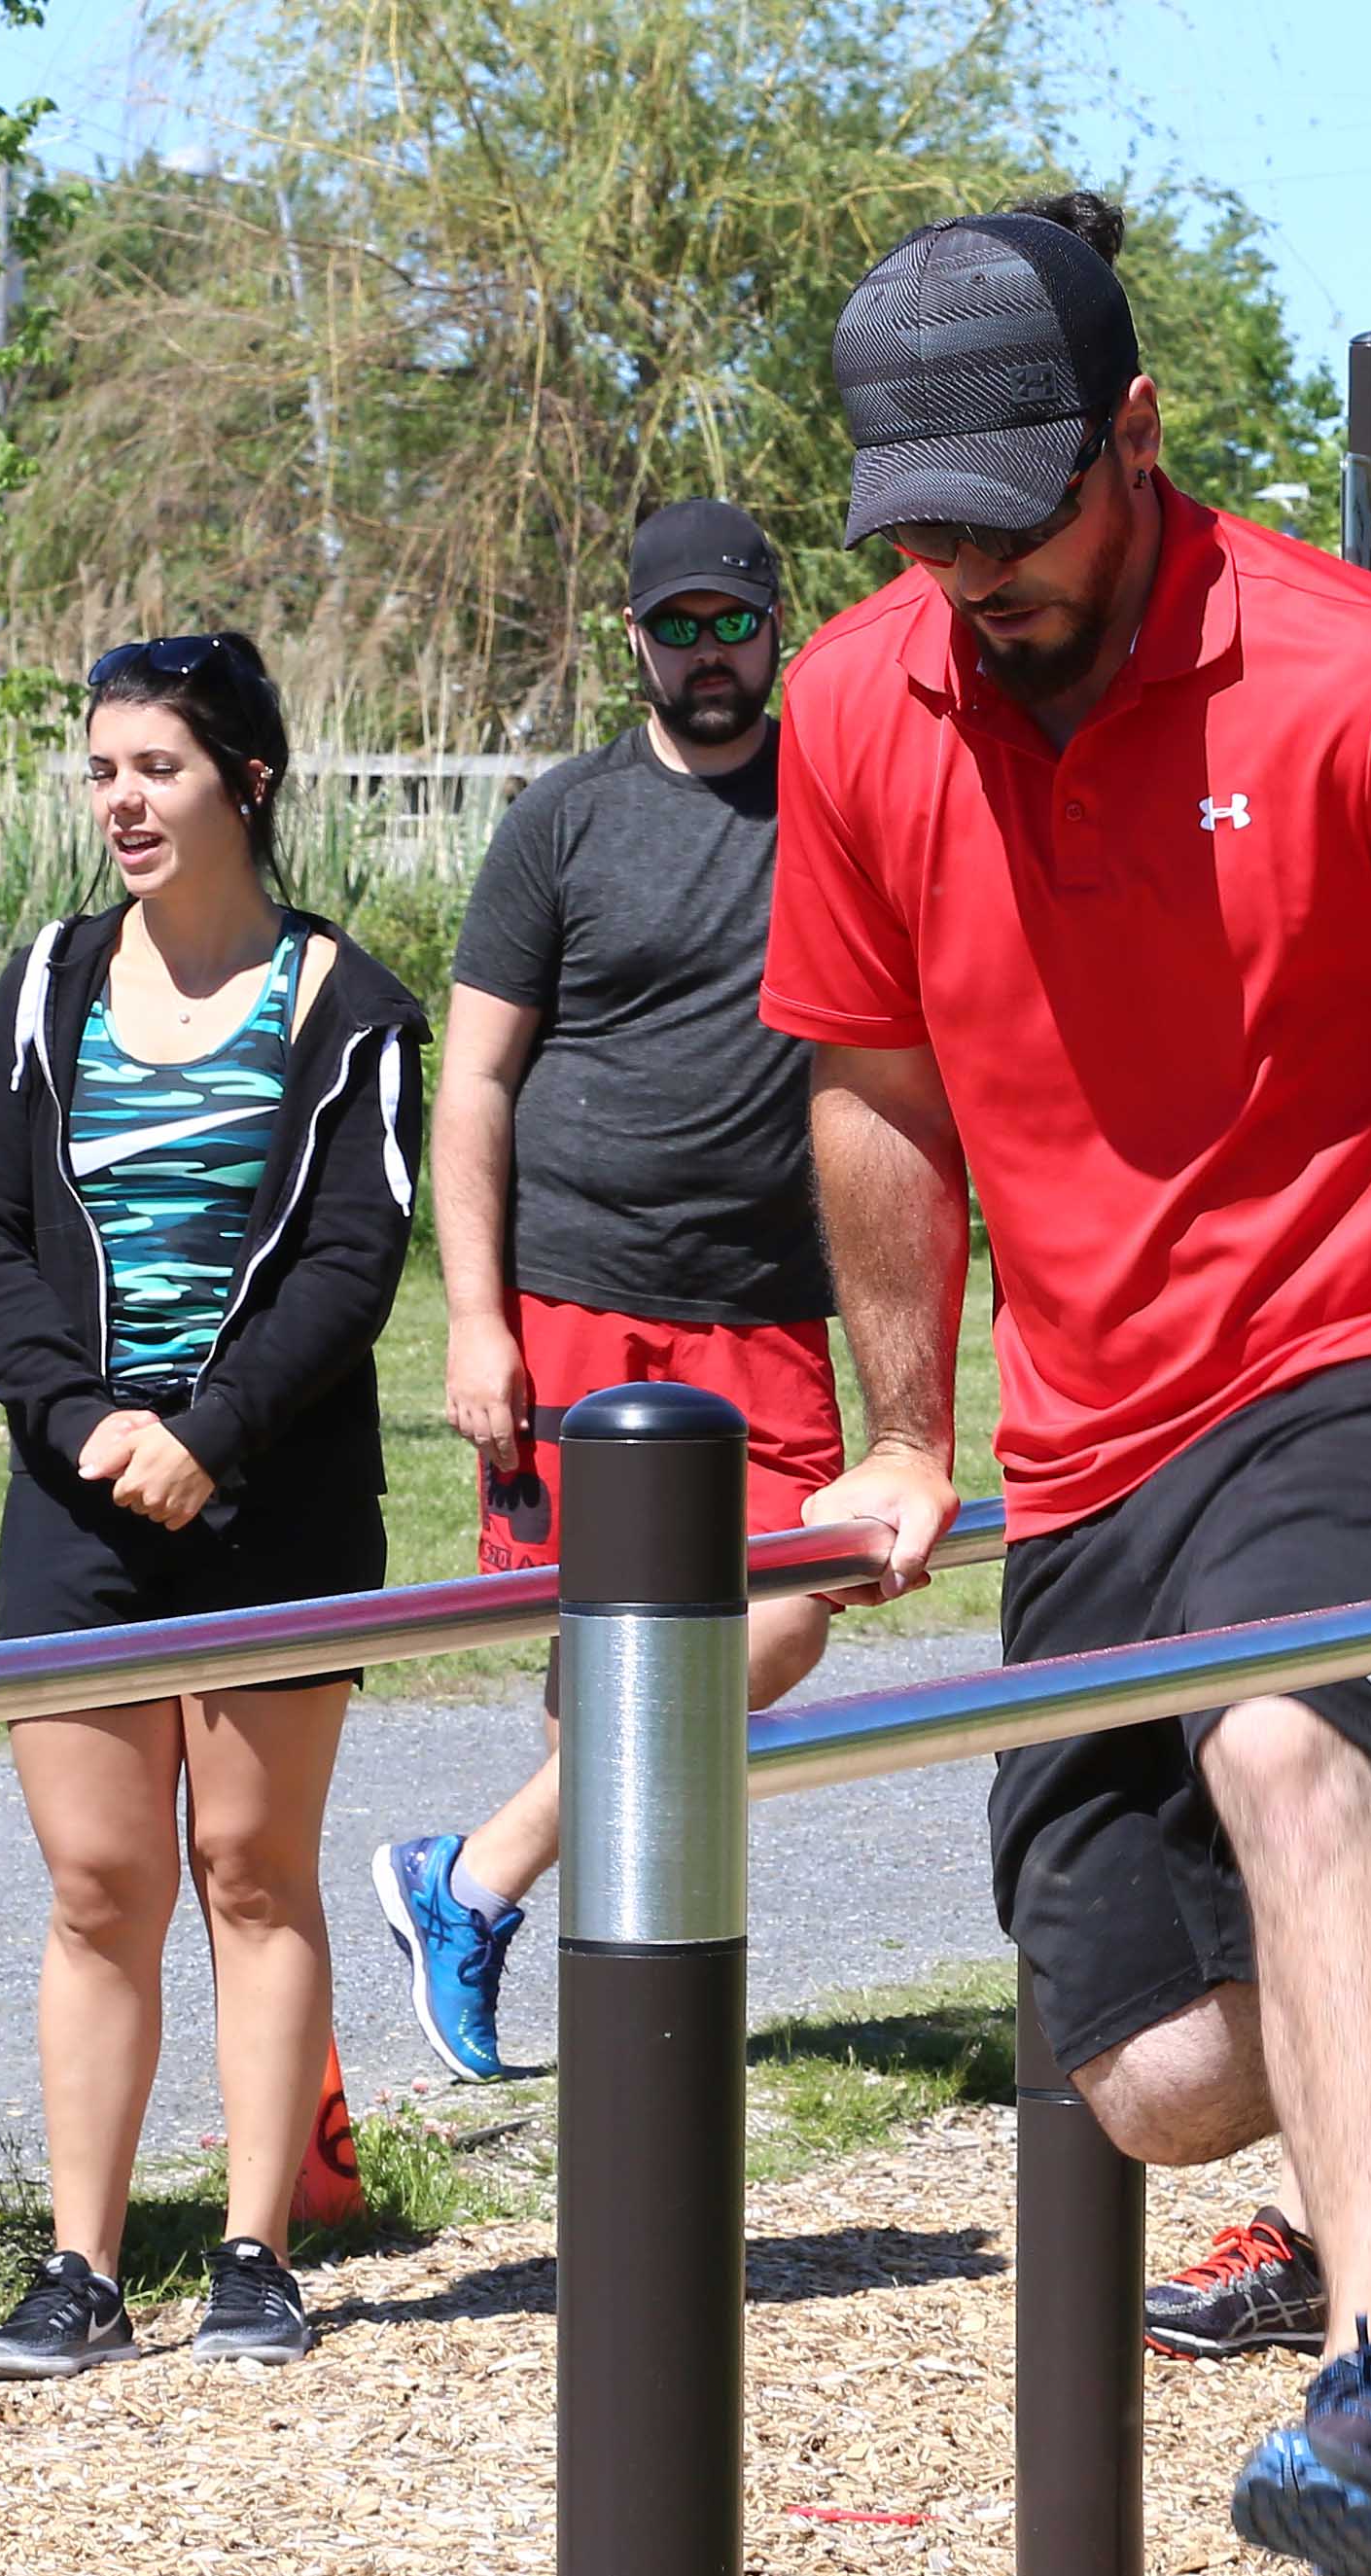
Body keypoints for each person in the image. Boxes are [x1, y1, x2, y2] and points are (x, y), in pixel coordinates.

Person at [774, 198, 1371, 2576]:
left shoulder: (1366, 672)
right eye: (928, 529)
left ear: (1140, 433)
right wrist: (905, 1431)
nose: (977, 572)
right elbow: (871, 1091)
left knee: (1289, 1746)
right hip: (1095, 1440)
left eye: (1021, 509)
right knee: (1159, 2074)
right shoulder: (858, 706)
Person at [0, 631, 429, 2380]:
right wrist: (77, 1420)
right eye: (100, 771)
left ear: (247, 783)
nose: (121, 802)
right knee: (95, 1879)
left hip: (268, 1501)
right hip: (77, 1496)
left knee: (247, 1865)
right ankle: (78, 2264)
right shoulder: (42, 984)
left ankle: (253, 2246)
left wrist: (210, 1431)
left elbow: (353, 1261)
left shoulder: (346, 1003)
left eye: (155, 767)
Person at [371, 497, 842, 2079]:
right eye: (676, 626)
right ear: (631, 638)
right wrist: (474, 1312)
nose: (706, 653)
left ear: (775, 626)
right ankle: (630, 2000)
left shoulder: (837, 802)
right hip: (576, 1291)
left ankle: (474, 1874)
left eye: (732, 623)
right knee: (598, 1645)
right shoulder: (560, 821)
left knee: (796, 1606)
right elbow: (474, 1083)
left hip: (766, 1296)